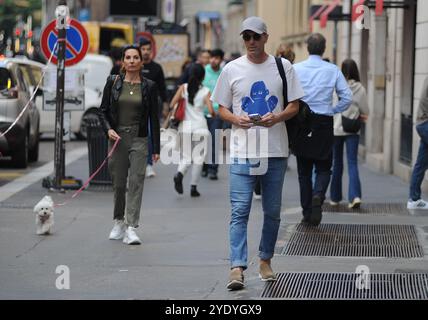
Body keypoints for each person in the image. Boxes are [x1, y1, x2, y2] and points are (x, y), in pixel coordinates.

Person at [212, 16, 304, 290]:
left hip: (274, 151)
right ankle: (237, 267)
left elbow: (295, 105)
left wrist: (276, 118)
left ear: (266, 37)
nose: (250, 41)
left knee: (272, 211)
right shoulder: (232, 68)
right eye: (246, 37)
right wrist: (234, 119)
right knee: (239, 210)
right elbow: (221, 107)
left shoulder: (283, 67)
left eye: (255, 36)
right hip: (243, 150)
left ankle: (265, 260)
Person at [98, 45, 160, 245]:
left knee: (136, 181)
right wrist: (108, 129)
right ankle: (118, 222)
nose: (132, 61)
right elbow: (103, 111)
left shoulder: (149, 86)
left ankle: (131, 227)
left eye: (135, 57)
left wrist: (156, 149)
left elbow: (154, 119)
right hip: (117, 138)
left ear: (141, 62)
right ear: (123, 62)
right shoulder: (113, 82)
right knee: (118, 183)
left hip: (139, 139)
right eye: (128, 57)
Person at [293, 33, 352, 227]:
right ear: (324, 48)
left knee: (303, 172)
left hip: (302, 122)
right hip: (324, 121)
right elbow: (347, 97)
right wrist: (333, 110)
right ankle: (319, 194)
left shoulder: (296, 69)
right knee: (324, 166)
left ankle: (306, 212)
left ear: (308, 48)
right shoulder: (332, 69)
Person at [330, 59, 369, 209]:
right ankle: (355, 196)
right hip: (352, 129)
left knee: (336, 163)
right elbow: (366, 110)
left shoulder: (336, 86)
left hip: (336, 128)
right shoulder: (360, 88)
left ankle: (335, 197)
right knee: (352, 163)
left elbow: (332, 106)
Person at [172, 64, 216, 197]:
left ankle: (179, 173)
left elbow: (172, 103)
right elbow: (211, 110)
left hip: (184, 127)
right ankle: (193, 187)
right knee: (198, 158)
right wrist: (211, 114)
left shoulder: (183, 88)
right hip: (200, 128)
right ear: (203, 76)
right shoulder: (206, 91)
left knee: (186, 156)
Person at [139, 38, 168, 178]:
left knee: (149, 135)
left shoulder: (157, 68)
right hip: (133, 108)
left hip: (150, 109)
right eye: (143, 49)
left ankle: (148, 164)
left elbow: (162, 88)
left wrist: (166, 105)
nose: (145, 52)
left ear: (151, 51)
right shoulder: (133, 65)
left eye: (147, 49)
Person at [202, 48, 225, 180]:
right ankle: (204, 166)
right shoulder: (204, 71)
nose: (213, 60)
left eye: (216, 58)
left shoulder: (224, 73)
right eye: (212, 57)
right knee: (203, 141)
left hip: (217, 112)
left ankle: (213, 169)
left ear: (221, 60)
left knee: (214, 141)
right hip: (202, 112)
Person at [407, 77, 428, 209]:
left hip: (423, 123)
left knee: (421, 164)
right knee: (421, 164)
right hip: (426, 123)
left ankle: (414, 199)